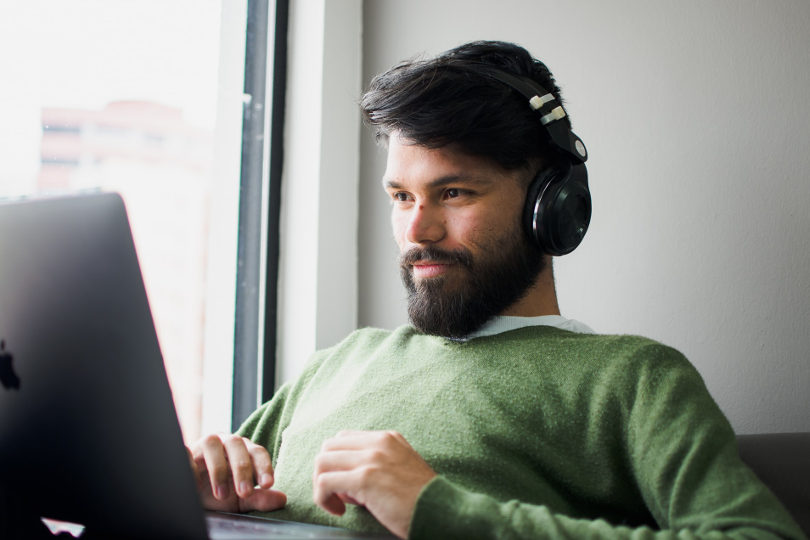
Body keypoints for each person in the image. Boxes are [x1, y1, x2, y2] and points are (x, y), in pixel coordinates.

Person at [189, 41, 804, 539]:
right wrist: (196, 492)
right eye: (402, 196)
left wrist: (437, 512)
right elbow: (234, 485)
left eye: (454, 193)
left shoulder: (631, 378)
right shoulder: (337, 364)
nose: (417, 230)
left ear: (551, 205)